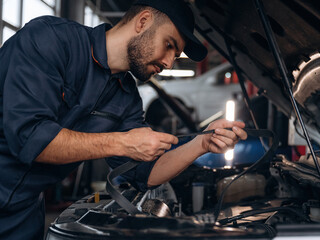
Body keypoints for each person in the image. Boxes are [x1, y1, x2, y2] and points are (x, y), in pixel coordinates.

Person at [0, 0, 247, 239]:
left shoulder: (126, 96)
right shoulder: (50, 40)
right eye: (169, 45)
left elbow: (145, 173)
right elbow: (31, 138)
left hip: (25, 211)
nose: (169, 62)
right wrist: (123, 142)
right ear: (143, 21)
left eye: (176, 54)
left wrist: (202, 143)